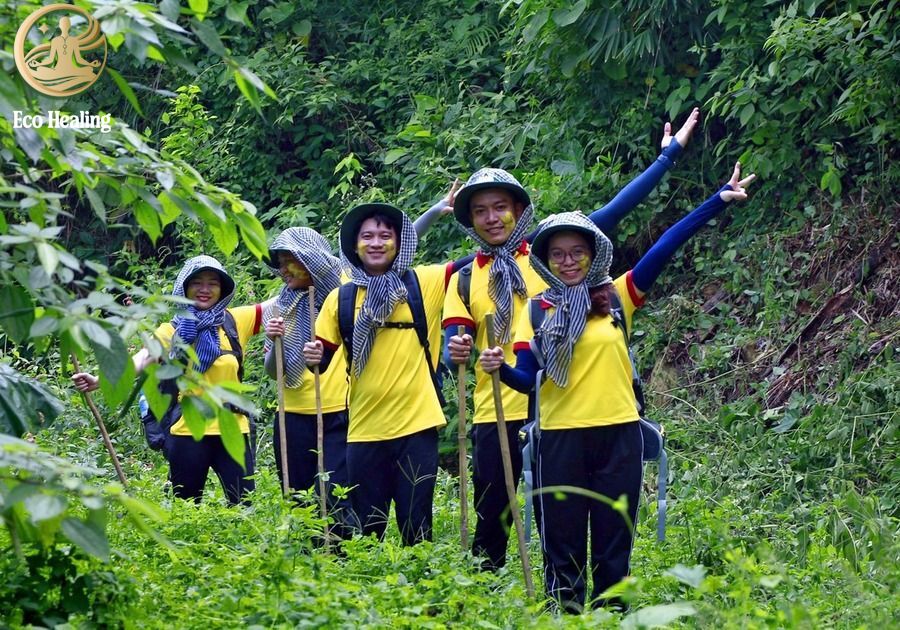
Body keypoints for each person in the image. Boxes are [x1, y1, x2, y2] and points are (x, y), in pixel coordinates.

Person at [479, 163, 755, 611]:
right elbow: (528, 381)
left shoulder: (618, 298)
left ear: (594, 255)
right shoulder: (536, 312)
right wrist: (498, 369)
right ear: (546, 262)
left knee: (614, 545)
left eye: (577, 252)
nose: (568, 261)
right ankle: (565, 616)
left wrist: (717, 201)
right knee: (562, 543)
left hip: (620, 435)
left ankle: (612, 618)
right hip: (560, 438)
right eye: (559, 255)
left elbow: (665, 246)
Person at [442, 109, 700, 571]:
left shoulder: (551, 249)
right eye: (480, 211)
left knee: (566, 522)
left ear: (519, 210)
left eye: (500, 207)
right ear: (470, 221)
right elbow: (446, 335)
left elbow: (618, 210)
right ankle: (484, 594)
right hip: (496, 406)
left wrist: (667, 159)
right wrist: (456, 352)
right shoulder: (464, 276)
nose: (492, 218)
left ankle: (576, 600)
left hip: (562, 409)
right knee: (493, 518)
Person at [303, 195, 468, 546]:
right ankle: (370, 596)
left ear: (399, 241)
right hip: (363, 429)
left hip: (417, 426)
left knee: (417, 524)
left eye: (384, 235)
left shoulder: (424, 282)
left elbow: (482, 258)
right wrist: (312, 354)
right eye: (367, 236)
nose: (376, 243)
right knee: (366, 529)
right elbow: (320, 360)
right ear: (355, 245)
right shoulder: (341, 299)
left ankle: (422, 597)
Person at [72, 255, 262, 505]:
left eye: (212, 283)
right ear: (184, 286)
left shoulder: (236, 321)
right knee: (184, 504)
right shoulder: (170, 330)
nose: (205, 290)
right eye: (197, 283)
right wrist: (101, 379)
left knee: (244, 502)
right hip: (187, 430)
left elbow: (284, 301)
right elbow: (142, 358)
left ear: (222, 288)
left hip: (233, 429)